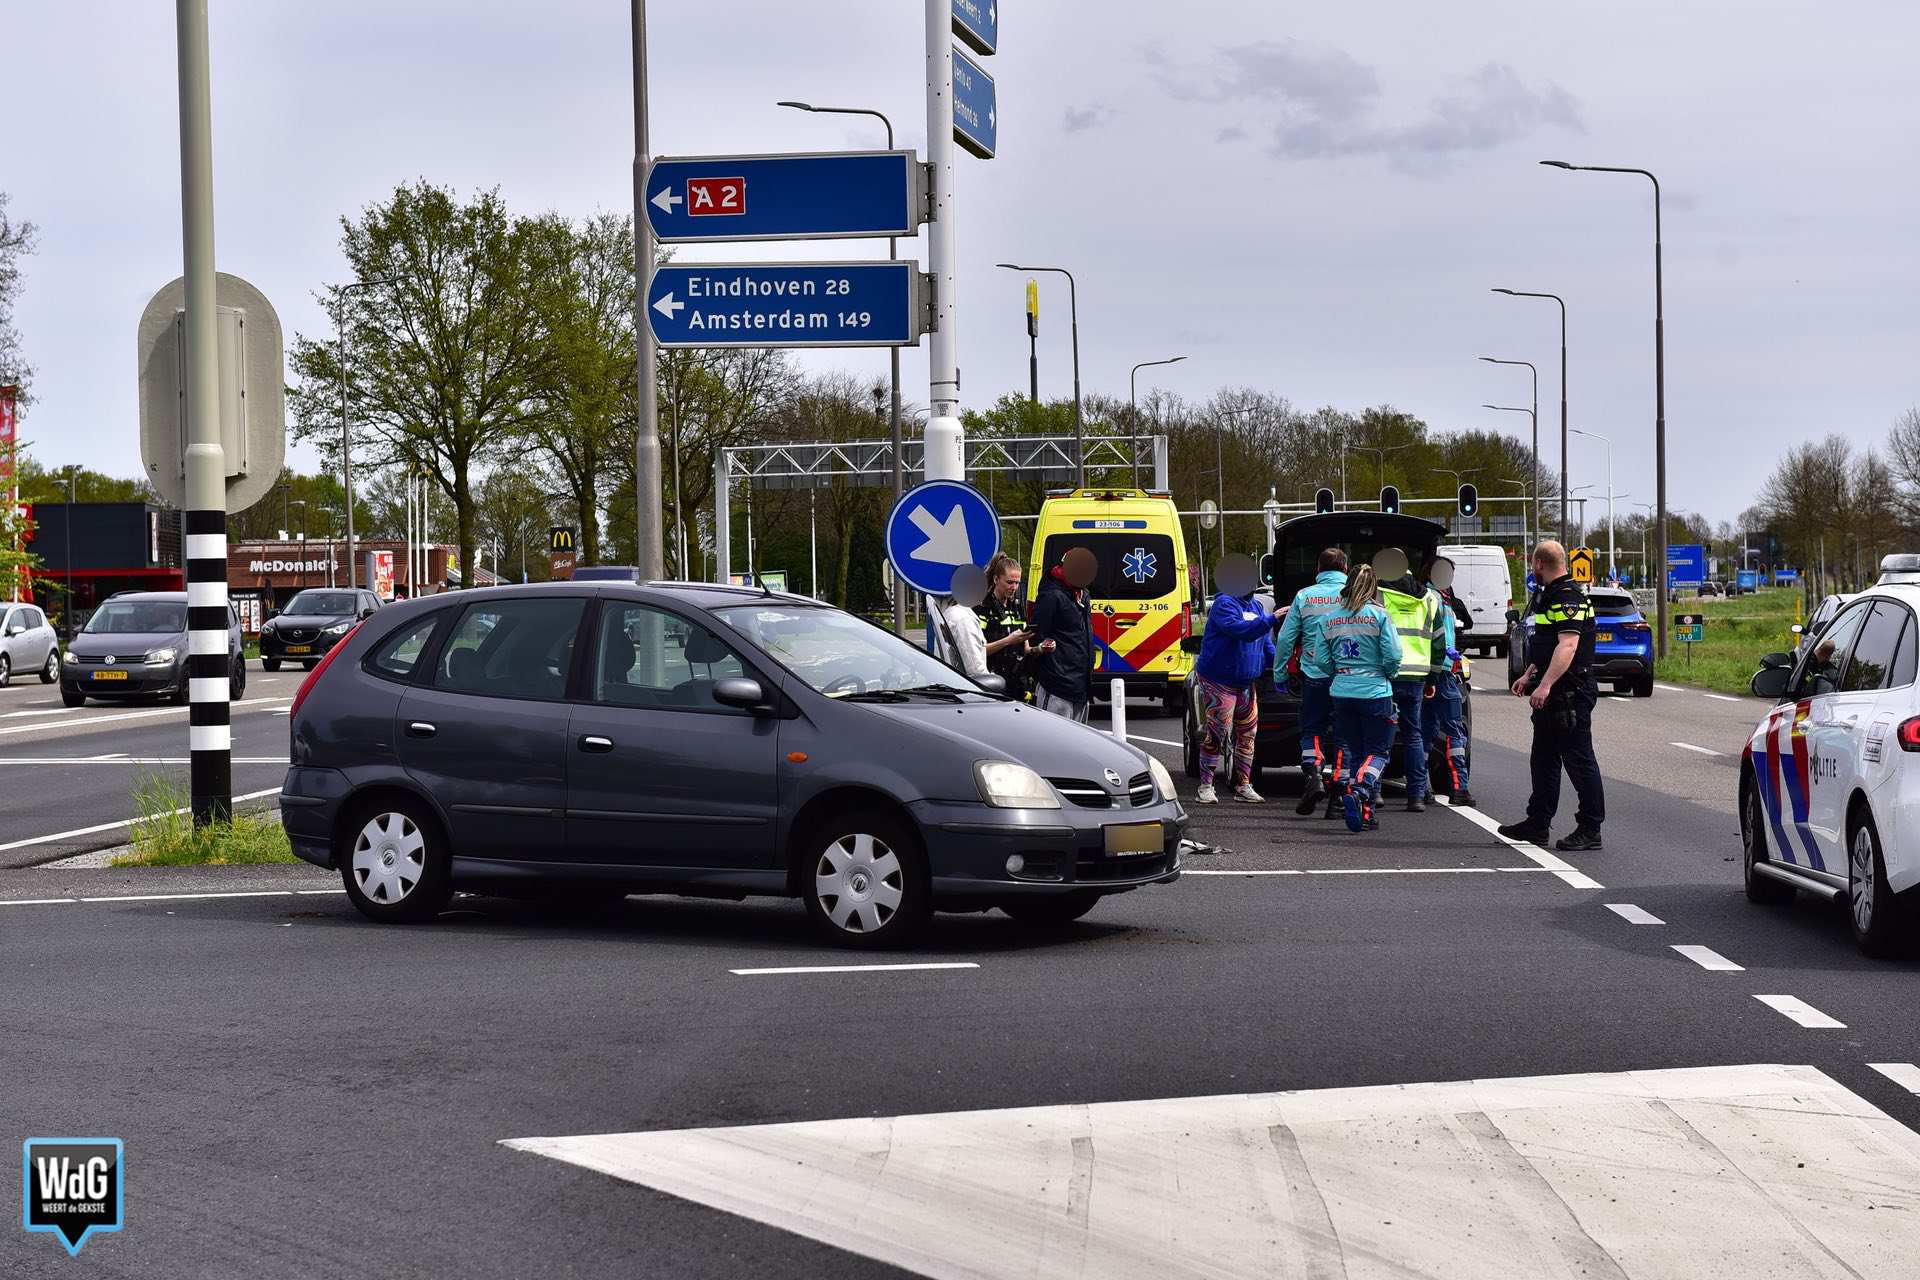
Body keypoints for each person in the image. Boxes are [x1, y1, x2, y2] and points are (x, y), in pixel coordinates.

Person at [1498, 541, 1605, 851]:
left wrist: (1544, 686)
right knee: (1543, 760)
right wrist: (1530, 674)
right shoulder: (1550, 595)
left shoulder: (1568, 596)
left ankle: (1590, 827)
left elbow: (1568, 646)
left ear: (1539, 564)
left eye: (1533, 564)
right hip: (1553, 689)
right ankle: (1537, 823)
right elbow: (1547, 643)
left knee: (1579, 760)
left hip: (1569, 691)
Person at [1193, 554, 1279, 805]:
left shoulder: (1257, 608)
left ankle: (1243, 784)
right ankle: (1206, 786)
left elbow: (1265, 645)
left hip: (1245, 683)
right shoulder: (1224, 605)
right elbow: (1241, 631)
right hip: (1219, 681)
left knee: (1248, 735)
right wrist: (1272, 619)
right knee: (1218, 734)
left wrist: (1283, 665)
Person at [1324, 564, 1402, 832]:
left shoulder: (1330, 618)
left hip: (1342, 691)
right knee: (1378, 753)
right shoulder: (1379, 616)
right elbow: (1393, 655)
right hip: (1375, 690)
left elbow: (1322, 661)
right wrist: (1387, 675)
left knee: (1357, 754)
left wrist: (1341, 672)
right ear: (1373, 587)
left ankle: (1366, 814)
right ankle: (1360, 792)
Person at [1273, 547, 1349, 815]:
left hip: (1314, 676)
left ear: (1318, 569)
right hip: (1347, 677)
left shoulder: (1305, 596)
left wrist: (1280, 673)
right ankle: (1338, 796)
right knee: (1344, 735)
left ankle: (1314, 773)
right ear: (1345, 569)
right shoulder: (1352, 597)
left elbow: (1285, 638)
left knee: (1312, 730)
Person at [1377, 550, 1446, 812]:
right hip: (1417, 676)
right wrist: (1434, 677)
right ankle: (1416, 795)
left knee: (1381, 733)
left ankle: (1375, 790)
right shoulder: (1429, 598)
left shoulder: (1379, 595)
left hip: (1386, 674)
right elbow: (1439, 642)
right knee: (1413, 735)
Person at [1421, 555, 1473, 807]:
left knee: (1425, 731)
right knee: (1454, 731)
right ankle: (1459, 787)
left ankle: (1421, 788)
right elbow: (1439, 640)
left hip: (1427, 672)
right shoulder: (1436, 600)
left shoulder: (1436, 599)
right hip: (1441, 673)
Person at [1030, 545, 1097, 722]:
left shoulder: (1083, 594)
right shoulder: (1052, 596)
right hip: (1057, 685)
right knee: (1051, 742)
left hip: (1080, 685)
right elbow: (1037, 634)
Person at [977, 552, 1035, 699]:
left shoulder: (1017, 607)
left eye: (1017, 583)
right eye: (1009, 582)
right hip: (993, 685)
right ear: (996, 579)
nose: (1014, 587)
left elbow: (1026, 649)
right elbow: (977, 652)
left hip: (1018, 683)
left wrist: (1040, 649)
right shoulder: (982, 608)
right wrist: (1008, 641)